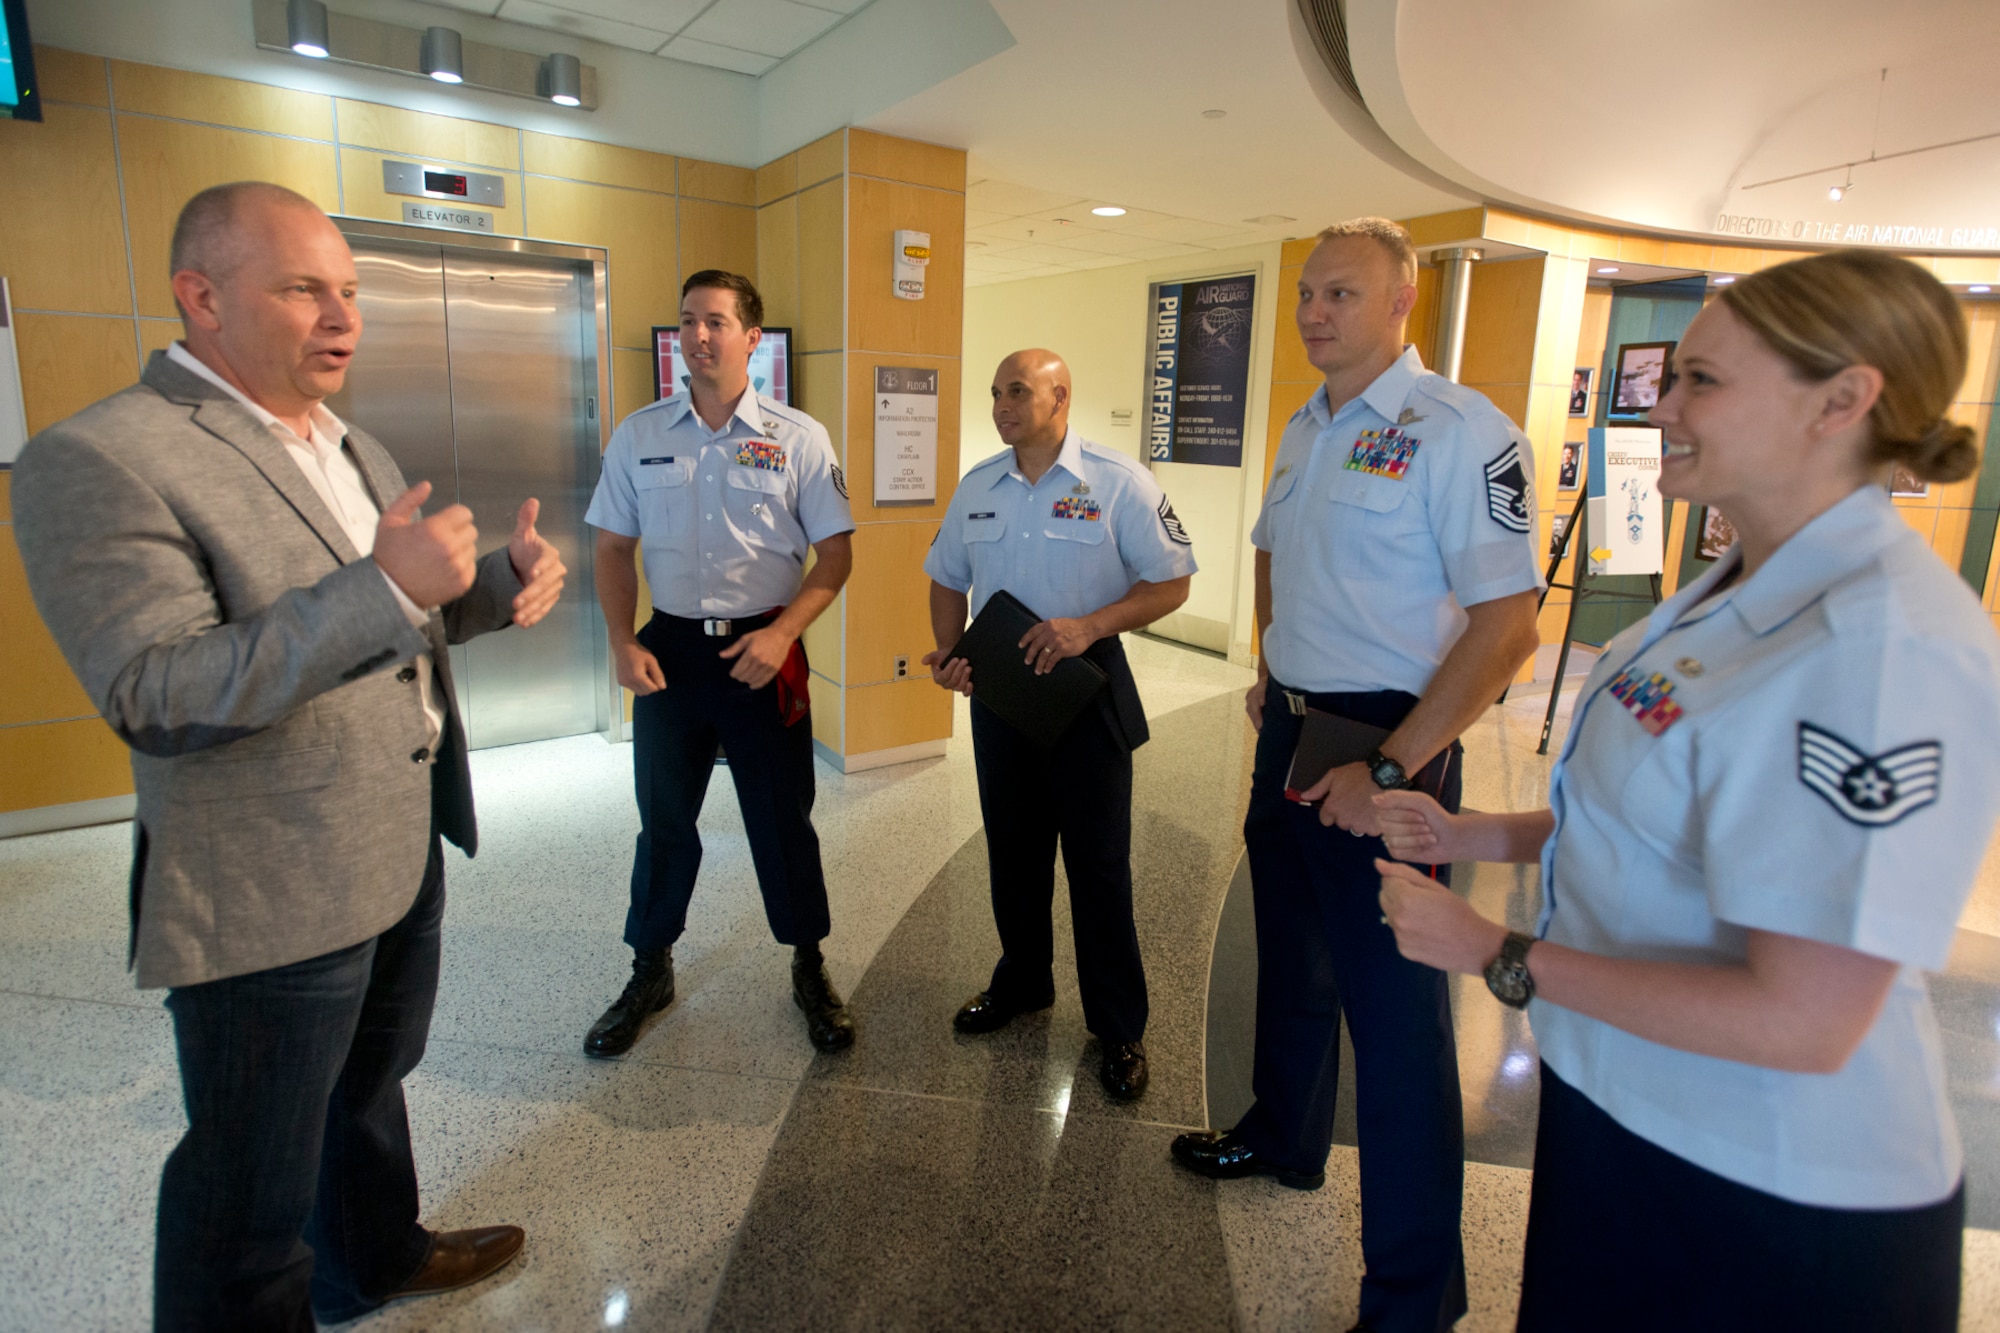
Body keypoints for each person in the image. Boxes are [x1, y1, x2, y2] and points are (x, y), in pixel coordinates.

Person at [1375, 248, 2000, 1333]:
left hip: (1767, 1189)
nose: (1659, 405)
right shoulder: (1735, 583)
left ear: (1841, 400)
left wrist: (1491, 952)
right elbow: (1662, 818)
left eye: (1700, 382)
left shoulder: (1879, 643)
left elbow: (1802, 1023)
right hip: (1627, 1104)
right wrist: (1473, 829)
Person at [10, 181, 566, 1330]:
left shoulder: (349, 441)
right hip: (267, 884)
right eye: (303, 288)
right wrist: (384, 586)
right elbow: (156, 691)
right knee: (245, 1194)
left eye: (351, 291)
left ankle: (371, 1255)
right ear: (199, 295)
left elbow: (391, 622)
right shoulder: (102, 458)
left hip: (396, 842)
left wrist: (491, 593)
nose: (342, 317)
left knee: (367, 1089)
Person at [1169, 218, 1543, 1333]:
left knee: (1394, 1023)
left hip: (1392, 739)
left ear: (1399, 304)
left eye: (1339, 293)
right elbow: (1277, 555)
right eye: (1303, 295)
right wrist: (1271, 666)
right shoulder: (1303, 424)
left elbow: (1507, 628)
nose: (1313, 312)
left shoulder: (1460, 433)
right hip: (1294, 729)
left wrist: (1387, 764)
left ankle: (1413, 1296)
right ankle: (1281, 1135)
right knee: (1287, 953)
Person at [583, 270, 857, 1056]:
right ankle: (650, 965)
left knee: (781, 819)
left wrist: (784, 635)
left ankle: (808, 963)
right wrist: (621, 639)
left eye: (715, 322)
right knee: (664, 818)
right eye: (686, 323)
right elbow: (611, 545)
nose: (697, 337)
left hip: (764, 649)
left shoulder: (798, 437)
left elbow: (834, 557)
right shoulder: (641, 434)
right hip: (669, 650)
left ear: (749, 336)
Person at [920, 349, 1194, 1101]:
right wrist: (949, 651)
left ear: (1060, 396)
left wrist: (1089, 626)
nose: (1004, 403)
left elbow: (1172, 581)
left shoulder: (1118, 482)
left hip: (1085, 685)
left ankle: (1118, 1026)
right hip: (1003, 691)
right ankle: (1023, 982)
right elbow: (946, 575)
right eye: (997, 392)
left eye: (1019, 390)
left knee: (1099, 863)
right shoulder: (979, 486)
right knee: (1013, 851)